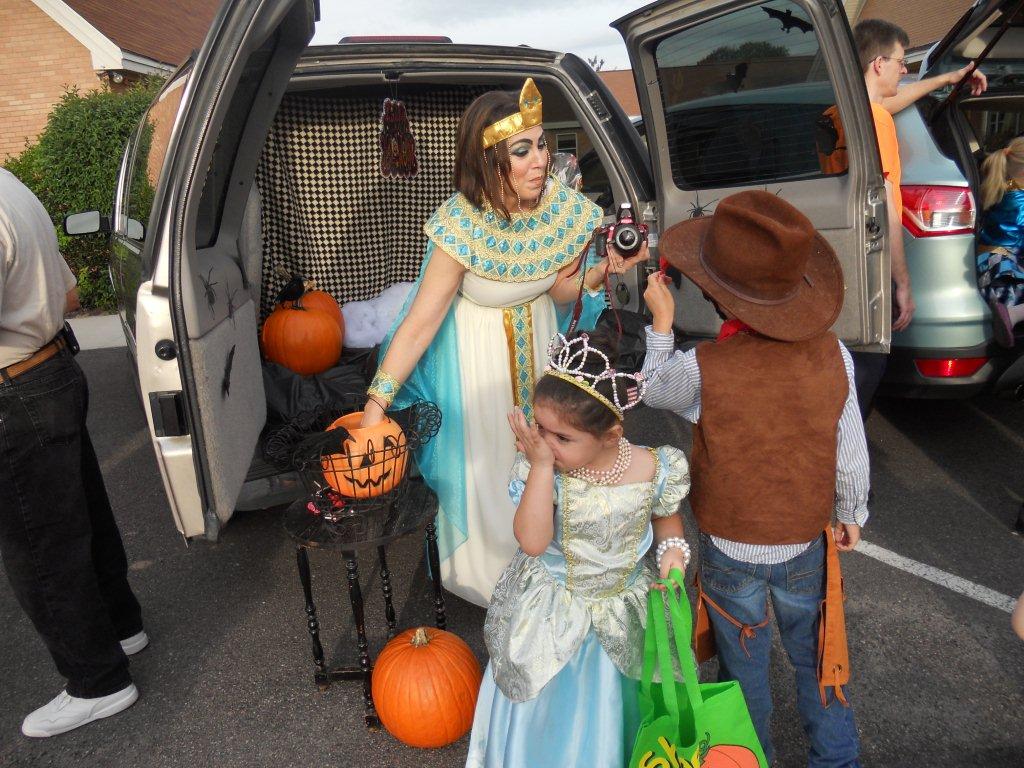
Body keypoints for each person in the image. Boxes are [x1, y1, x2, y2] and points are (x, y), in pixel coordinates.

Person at [361, 79, 646, 607]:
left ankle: (548, 575)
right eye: (523, 150)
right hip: (477, 370)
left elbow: (560, 290)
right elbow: (420, 324)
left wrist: (603, 270)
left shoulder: (560, 211)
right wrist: (373, 412)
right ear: (489, 160)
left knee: (553, 459)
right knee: (491, 468)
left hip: (543, 350)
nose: (540, 160)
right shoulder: (460, 225)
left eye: (542, 144)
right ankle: (495, 588)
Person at [641, 190, 870, 767]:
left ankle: (752, 758)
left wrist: (661, 324)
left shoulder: (704, 367)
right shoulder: (835, 356)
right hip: (803, 541)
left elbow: (653, 387)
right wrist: (851, 511)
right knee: (821, 662)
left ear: (719, 297)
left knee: (745, 678)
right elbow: (849, 447)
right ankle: (837, 761)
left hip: (728, 546)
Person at [464, 329, 690, 767]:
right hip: (552, 615)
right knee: (546, 719)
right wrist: (542, 467)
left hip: (625, 611)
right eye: (540, 428)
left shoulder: (654, 467)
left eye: (561, 438)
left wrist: (673, 562)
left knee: (620, 714)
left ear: (611, 435)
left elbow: (666, 520)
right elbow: (532, 540)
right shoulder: (545, 469)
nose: (544, 443)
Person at [0, 167, 147, 737]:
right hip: (52, 370)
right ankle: (122, 625)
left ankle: (98, 682)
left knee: (40, 551)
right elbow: (70, 294)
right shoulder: (11, 186)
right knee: (80, 517)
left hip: (14, 390)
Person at [850, 20, 987, 417]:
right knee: (867, 369)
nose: (904, 69)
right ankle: (846, 469)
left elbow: (890, 102)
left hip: (849, 260)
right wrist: (903, 283)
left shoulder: (853, 114)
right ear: (878, 64)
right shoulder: (875, 123)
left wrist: (950, 77)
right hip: (871, 262)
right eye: (899, 61)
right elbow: (888, 206)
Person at [976, 136, 1024, 347]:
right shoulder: (1020, 202)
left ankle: (1008, 313)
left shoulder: (1001, 189)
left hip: (989, 269)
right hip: (1007, 275)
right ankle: (1012, 314)